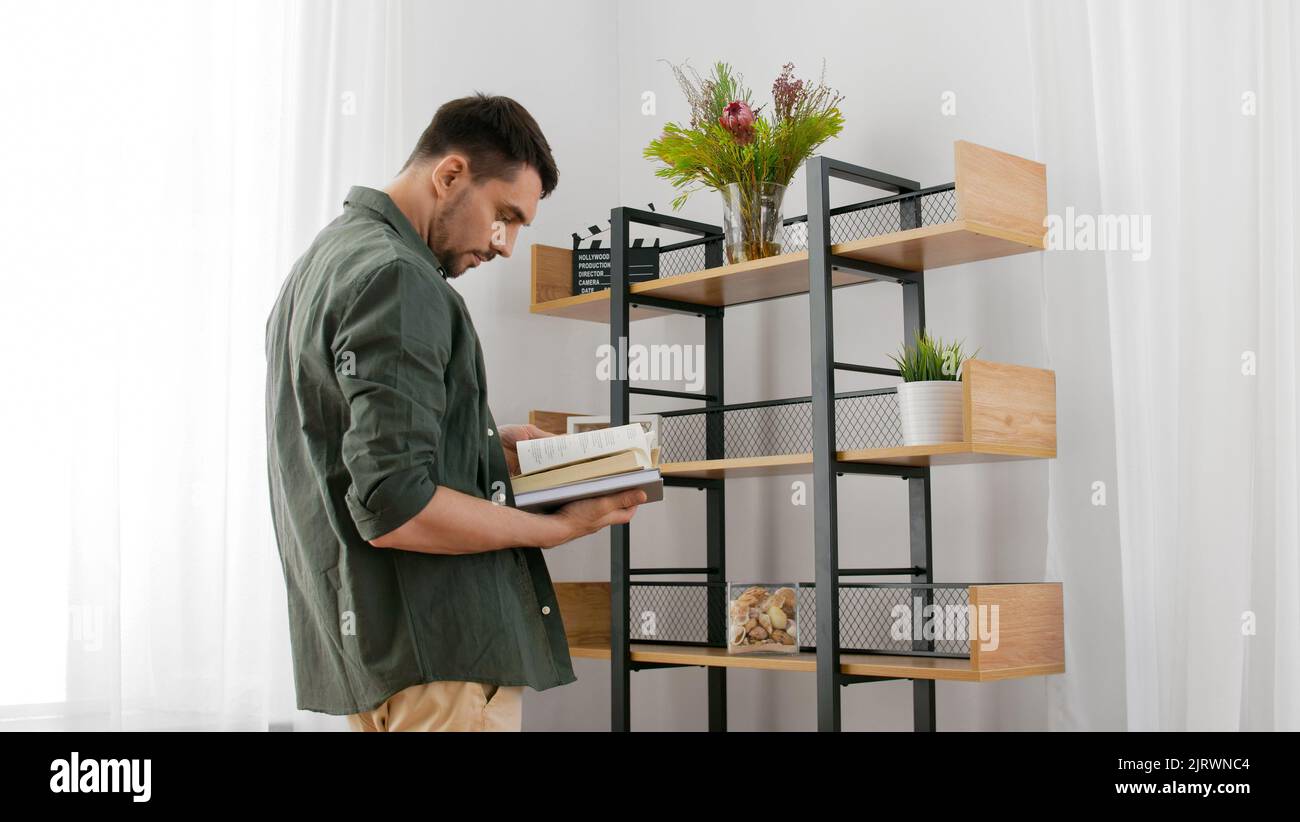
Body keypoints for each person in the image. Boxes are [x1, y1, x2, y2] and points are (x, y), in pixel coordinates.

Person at [264, 93, 645, 732]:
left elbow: (356, 455)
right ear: (449, 175)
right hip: (442, 661)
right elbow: (396, 505)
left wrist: (485, 446)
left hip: (378, 657)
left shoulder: (318, 267)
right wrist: (559, 529)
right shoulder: (400, 278)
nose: (505, 247)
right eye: (505, 216)